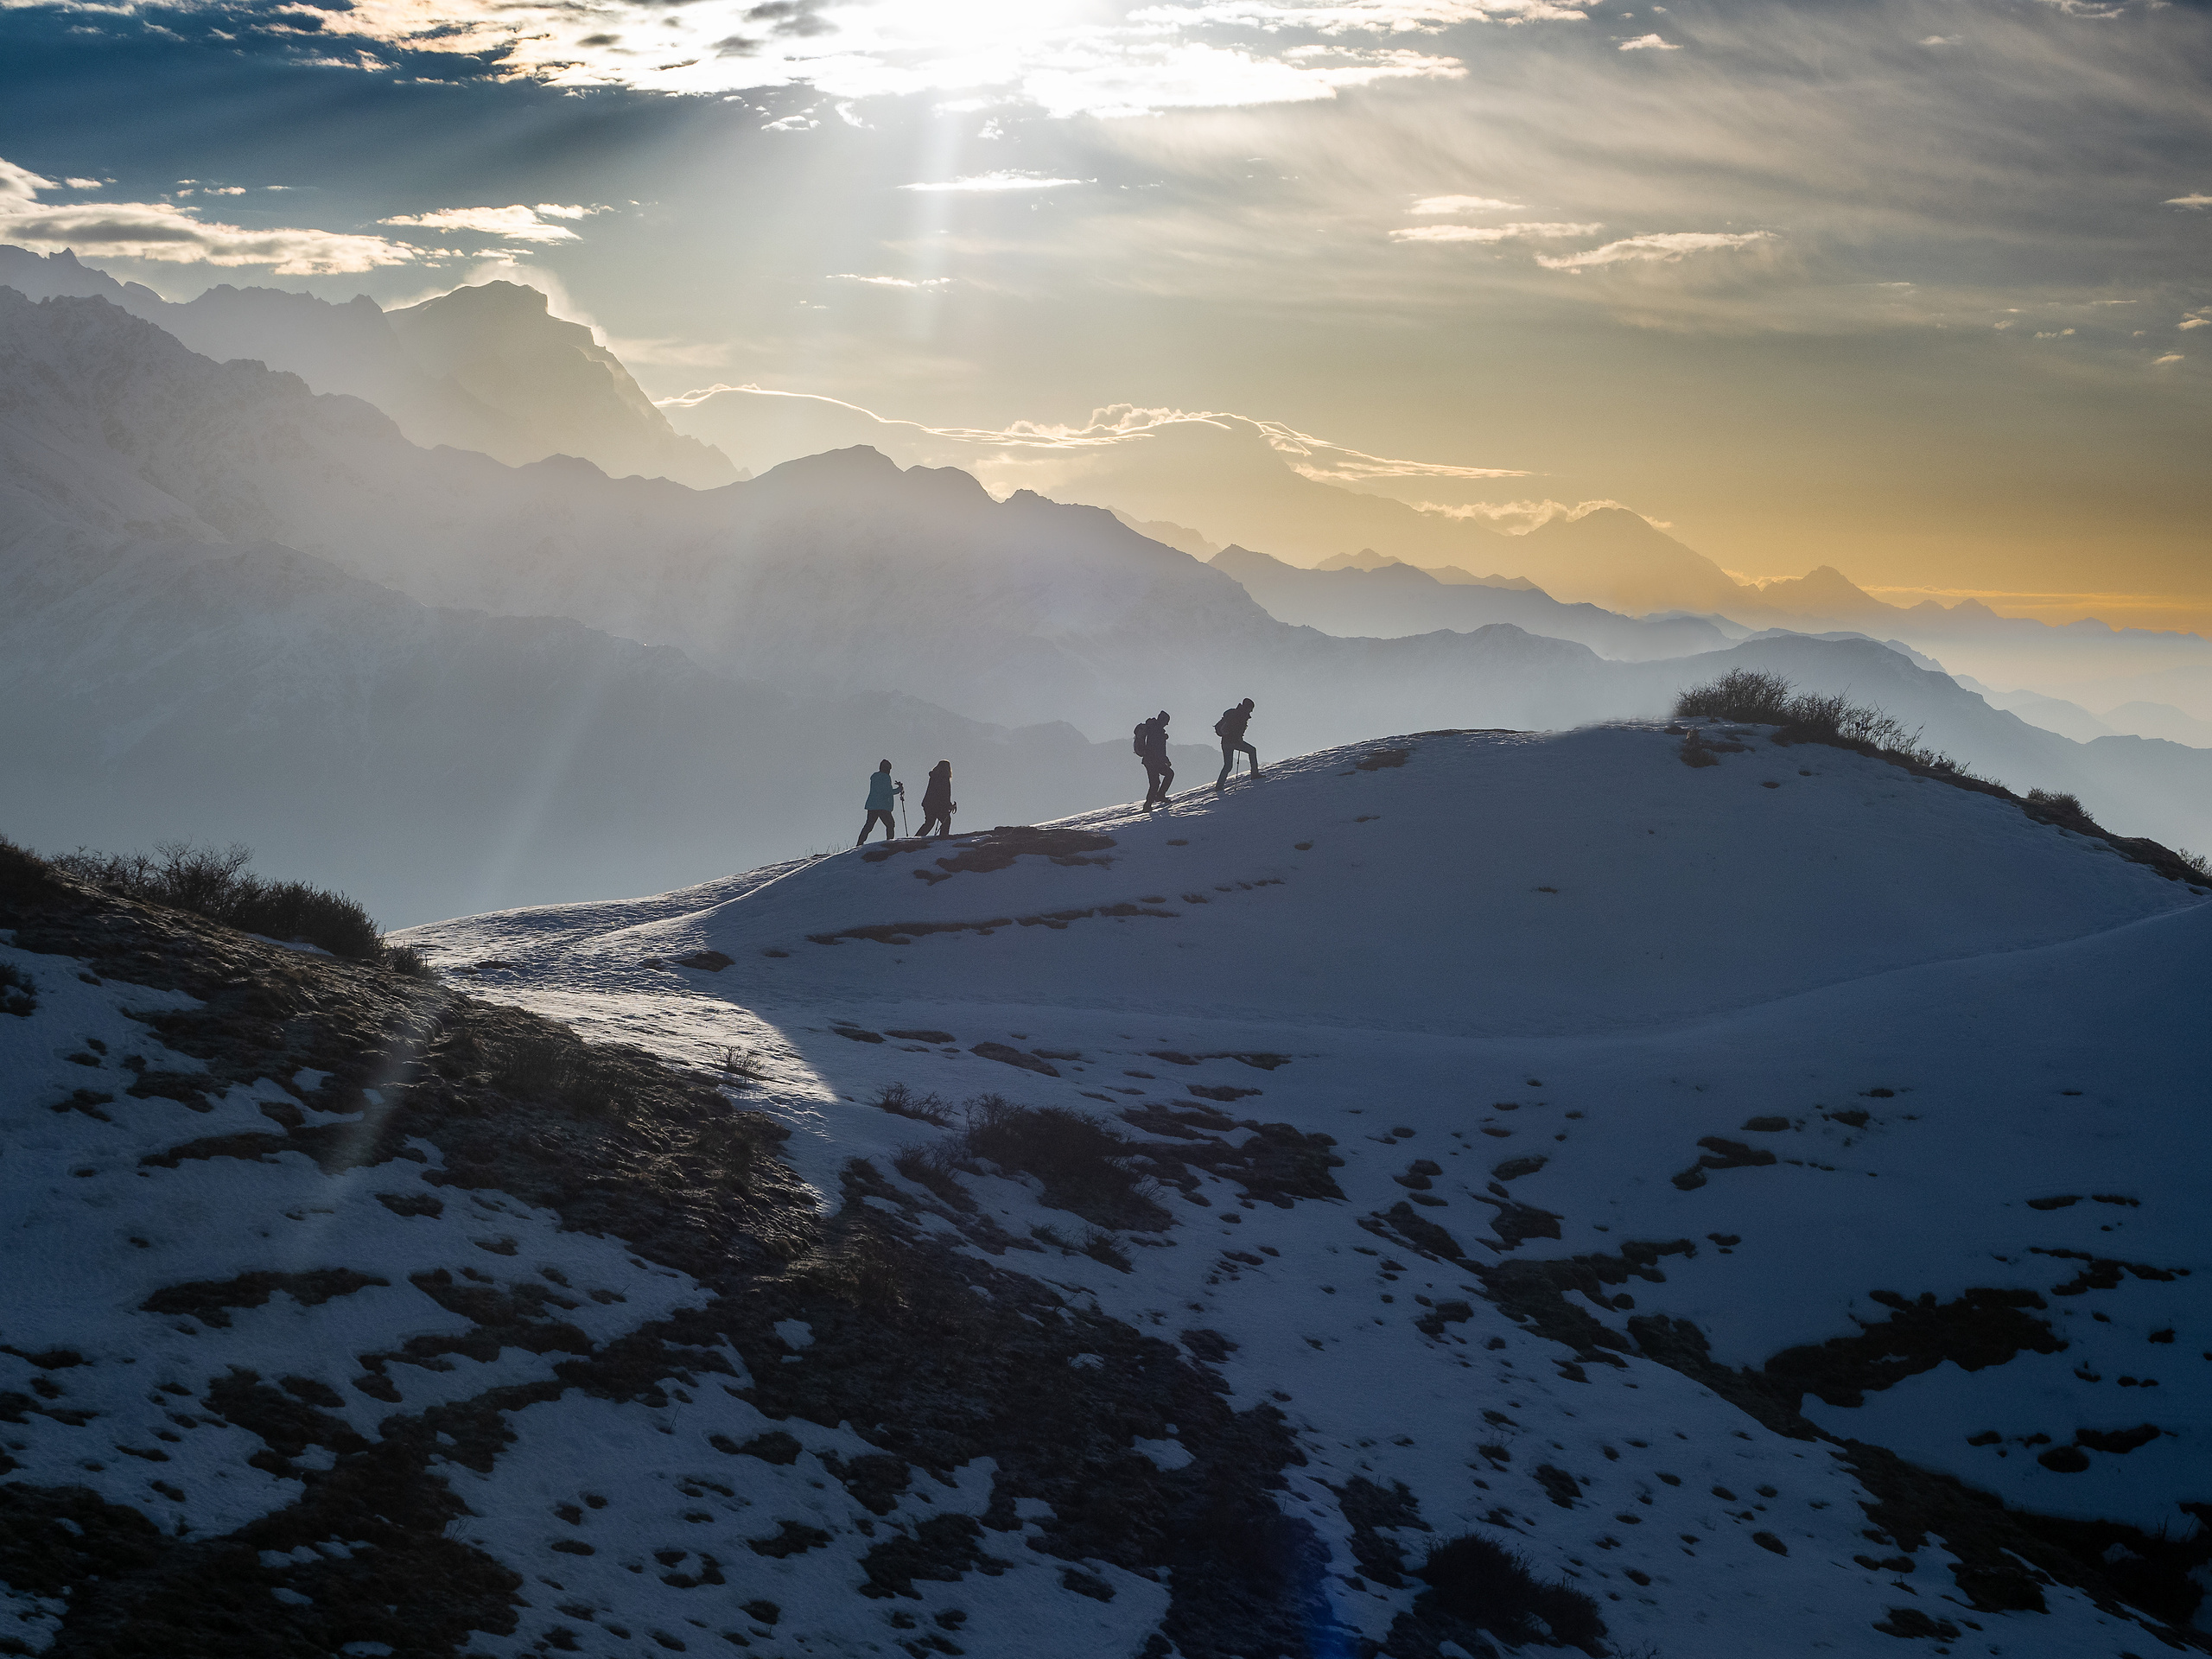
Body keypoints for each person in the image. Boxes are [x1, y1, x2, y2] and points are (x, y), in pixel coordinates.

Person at [1215, 697, 1260, 791]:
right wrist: (1239, 738)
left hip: (1225, 742)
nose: (1251, 711)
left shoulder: (1233, 713)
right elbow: (1237, 729)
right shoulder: (1241, 715)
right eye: (1251, 709)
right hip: (1234, 741)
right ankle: (1254, 774)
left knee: (1227, 765)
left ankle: (1219, 786)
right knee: (1252, 750)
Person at [856, 759, 901, 844]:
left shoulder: (875, 777)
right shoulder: (885, 777)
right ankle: (890, 843)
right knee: (890, 824)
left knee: (869, 825)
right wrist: (899, 789)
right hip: (882, 806)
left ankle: (859, 843)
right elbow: (887, 791)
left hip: (872, 805)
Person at [1135, 710, 1174, 809]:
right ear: (1162, 720)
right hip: (1153, 761)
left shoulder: (1154, 729)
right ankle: (1149, 804)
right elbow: (1158, 749)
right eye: (1166, 722)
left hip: (1150, 761)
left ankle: (1154, 800)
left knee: (1156, 782)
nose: (1166, 724)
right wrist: (1165, 760)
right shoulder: (1157, 731)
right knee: (1158, 781)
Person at [918, 760, 956, 838]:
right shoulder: (944, 778)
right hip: (938, 805)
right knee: (946, 821)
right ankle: (943, 838)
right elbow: (944, 794)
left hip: (928, 804)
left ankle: (916, 838)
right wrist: (949, 805)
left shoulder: (934, 776)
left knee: (929, 822)